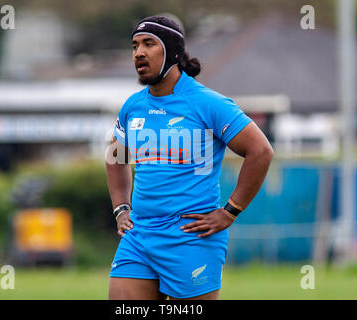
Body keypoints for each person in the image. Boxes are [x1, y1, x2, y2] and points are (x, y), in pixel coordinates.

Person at [105, 15, 274, 300]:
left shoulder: (207, 103)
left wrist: (230, 211)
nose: (139, 53)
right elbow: (114, 157)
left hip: (191, 238)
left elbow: (260, 151)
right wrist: (121, 208)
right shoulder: (133, 106)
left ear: (172, 52)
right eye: (134, 46)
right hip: (139, 236)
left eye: (149, 44)